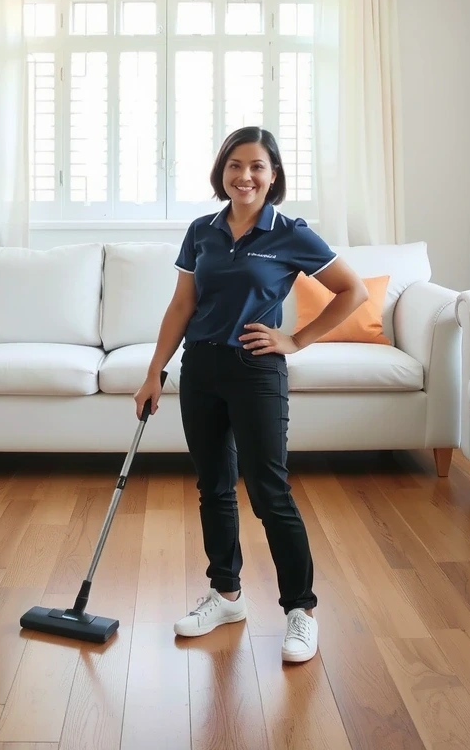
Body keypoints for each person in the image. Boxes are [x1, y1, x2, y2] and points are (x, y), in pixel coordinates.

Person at [134, 126, 368, 663]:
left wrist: (296, 339)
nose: (245, 176)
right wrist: (154, 373)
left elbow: (350, 290)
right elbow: (180, 306)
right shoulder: (202, 231)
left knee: (269, 490)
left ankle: (300, 612)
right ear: (222, 171)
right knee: (213, 485)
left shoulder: (290, 233)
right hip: (201, 369)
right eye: (235, 165)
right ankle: (225, 595)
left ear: (274, 175)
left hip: (258, 370)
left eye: (257, 166)